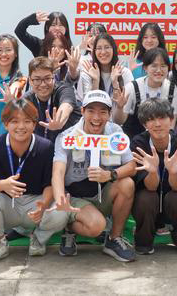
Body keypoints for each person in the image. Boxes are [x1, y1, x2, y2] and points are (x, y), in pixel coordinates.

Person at [0, 99, 70, 264]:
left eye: (27, 121)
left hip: (35, 204)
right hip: (6, 204)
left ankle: (38, 238)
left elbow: (49, 184)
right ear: (5, 124)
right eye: (14, 121)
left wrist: (44, 204)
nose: (21, 126)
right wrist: (3, 185)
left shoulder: (45, 146)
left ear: (34, 124)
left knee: (61, 210)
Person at [52, 90, 137, 262]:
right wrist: (61, 200)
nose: (96, 117)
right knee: (96, 226)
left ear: (109, 114)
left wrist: (110, 175)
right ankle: (69, 228)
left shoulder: (115, 132)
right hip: (75, 196)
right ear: (82, 112)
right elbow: (58, 172)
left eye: (103, 112)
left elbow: (132, 166)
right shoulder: (67, 136)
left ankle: (114, 238)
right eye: (91, 111)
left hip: (101, 191)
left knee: (127, 184)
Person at [130, 98, 177, 256]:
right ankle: (143, 241)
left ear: (171, 119)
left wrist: (173, 172)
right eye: (151, 119)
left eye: (162, 118)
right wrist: (153, 171)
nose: (157, 124)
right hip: (149, 197)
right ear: (144, 124)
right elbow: (151, 187)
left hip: (175, 194)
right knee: (146, 198)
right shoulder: (139, 143)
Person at [112, 48, 177, 138]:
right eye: (154, 66)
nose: (159, 70)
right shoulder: (132, 87)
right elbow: (119, 121)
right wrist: (120, 107)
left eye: (163, 66)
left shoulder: (173, 89)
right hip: (134, 139)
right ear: (145, 68)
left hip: (162, 139)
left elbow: (171, 125)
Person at [22, 57, 82, 143]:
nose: (43, 84)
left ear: (53, 77)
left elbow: (67, 106)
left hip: (71, 145)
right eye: (37, 80)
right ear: (30, 81)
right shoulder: (27, 99)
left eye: (47, 78)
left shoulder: (64, 89)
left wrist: (59, 121)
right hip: (44, 147)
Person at [77, 33, 133, 104]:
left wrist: (115, 83)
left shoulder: (125, 72)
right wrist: (95, 81)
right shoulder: (88, 73)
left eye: (107, 47)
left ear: (114, 49)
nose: (103, 52)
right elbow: (88, 104)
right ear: (94, 51)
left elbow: (126, 105)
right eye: (99, 48)